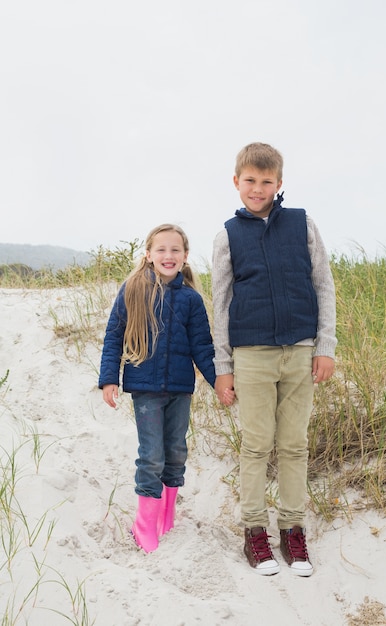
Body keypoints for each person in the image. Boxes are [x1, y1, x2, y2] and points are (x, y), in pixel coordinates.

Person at [212, 142, 336, 577]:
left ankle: (292, 531)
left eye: (267, 181)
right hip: (252, 354)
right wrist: (223, 369)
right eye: (250, 180)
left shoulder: (302, 225)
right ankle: (254, 532)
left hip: (300, 352)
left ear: (279, 183)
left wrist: (324, 346)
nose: (258, 188)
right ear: (237, 182)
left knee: (294, 444)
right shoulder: (228, 234)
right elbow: (221, 303)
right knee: (256, 444)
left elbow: (323, 285)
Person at [99, 224, 219, 553]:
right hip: (146, 389)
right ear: (148, 255)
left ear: (185, 256)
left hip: (180, 388)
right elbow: (114, 337)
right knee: (152, 456)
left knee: (176, 453)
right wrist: (110, 377)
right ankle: (144, 522)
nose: (168, 255)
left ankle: (167, 513)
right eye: (161, 250)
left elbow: (203, 348)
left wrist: (219, 382)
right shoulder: (132, 289)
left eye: (175, 250)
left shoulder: (191, 299)